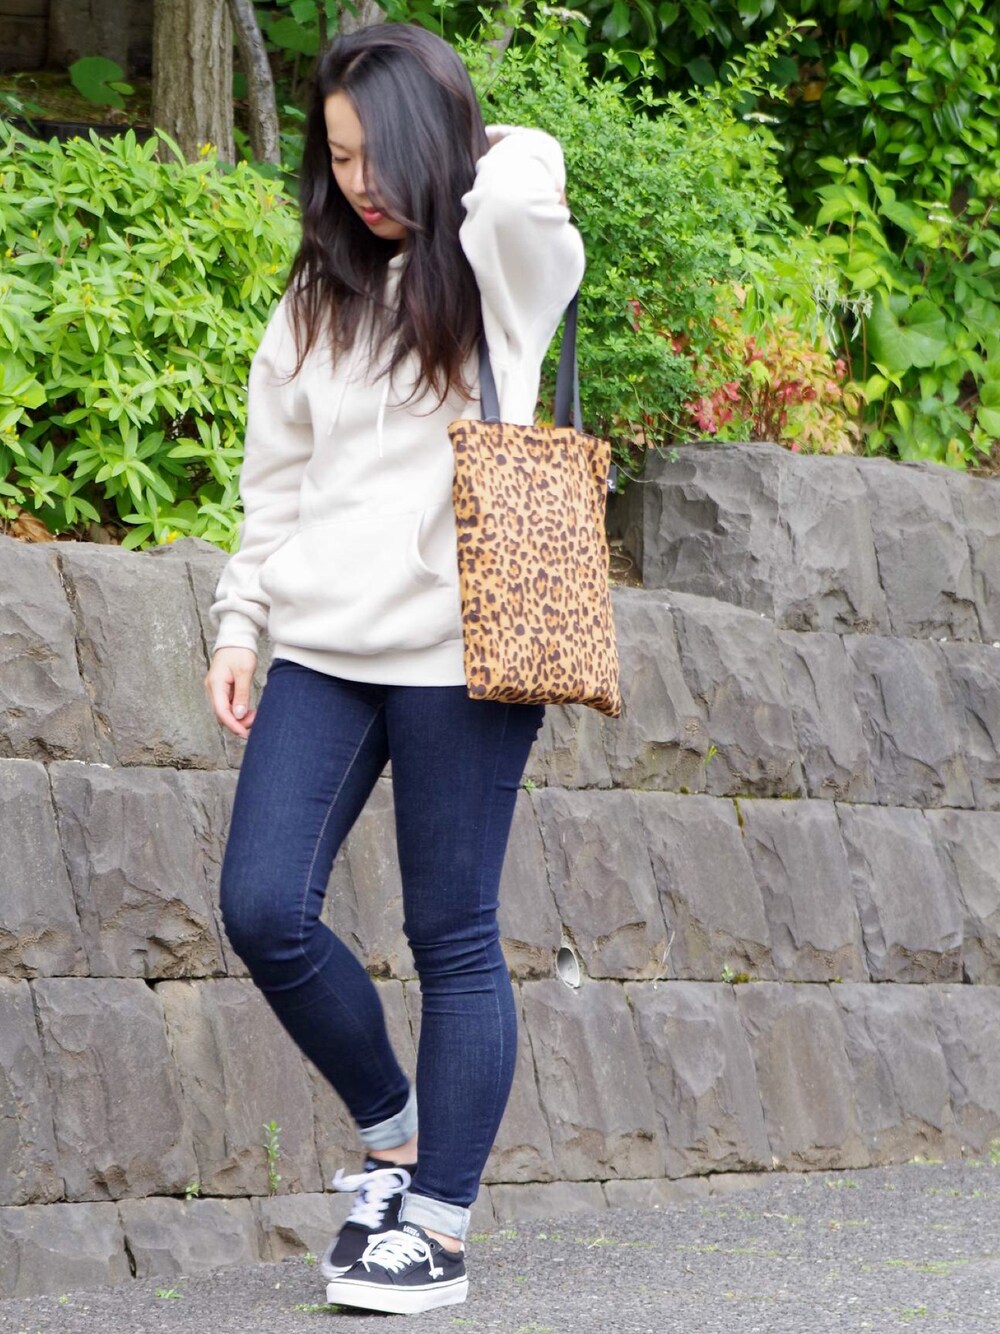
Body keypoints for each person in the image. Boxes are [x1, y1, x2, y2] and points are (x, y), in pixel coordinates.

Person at [204, 21, 583, 1318]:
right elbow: (275, 484)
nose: (357, 181)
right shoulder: (317, 297)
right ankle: (391, 1135)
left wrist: (466, 147)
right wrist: (241, 626)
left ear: (431, 141)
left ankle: (436, 1229)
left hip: (464, 649)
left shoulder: (496, 271)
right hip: (322, 645)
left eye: (377, 151)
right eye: (338, 156)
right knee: (263, 905)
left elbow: (525, 193)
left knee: (451, 933)